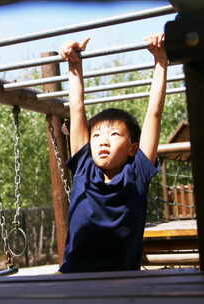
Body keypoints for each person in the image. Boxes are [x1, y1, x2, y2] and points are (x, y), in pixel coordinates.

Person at [58, 34, 168, 273]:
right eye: (96, 135)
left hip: (123, 279)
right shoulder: (84, 164)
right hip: (75, 275)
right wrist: (74, 64)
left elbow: (154, 113)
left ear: (132, 148)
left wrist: (160, 62)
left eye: (114, 135)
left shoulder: (137, 171)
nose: (102, 141)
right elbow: (76, 108)